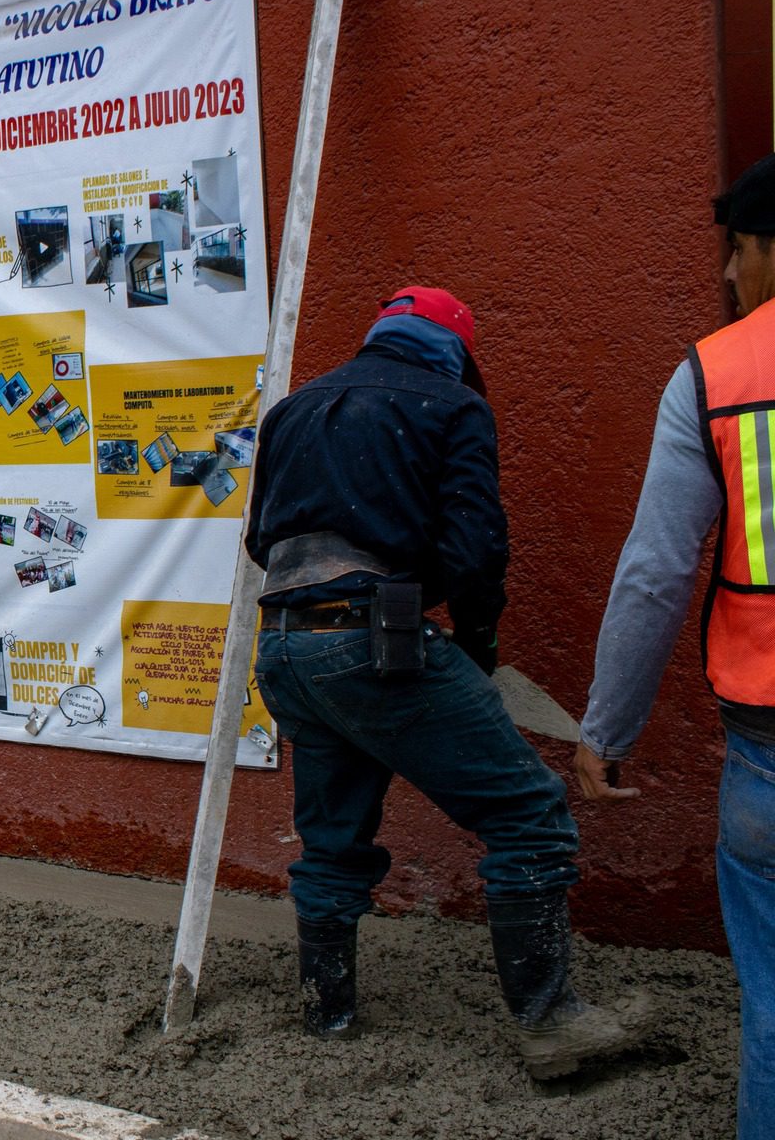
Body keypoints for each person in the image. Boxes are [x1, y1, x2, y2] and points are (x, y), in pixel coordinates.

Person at [246, 285, 651, 1079]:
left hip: (286, 648)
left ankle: (326, 1014)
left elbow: (263, 540)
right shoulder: (453, 404)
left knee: (331, 840)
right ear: (455, 352)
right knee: (529, 812)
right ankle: (551, 1023)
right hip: (373, 642)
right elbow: (475, 550)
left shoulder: (289, 411)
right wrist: (476, 642)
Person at [574, 154, 775, 1140]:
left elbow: (653, 574)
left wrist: (602, 731)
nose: (728, 280)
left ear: (759, 248)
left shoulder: (716, 375)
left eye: (732, 257)